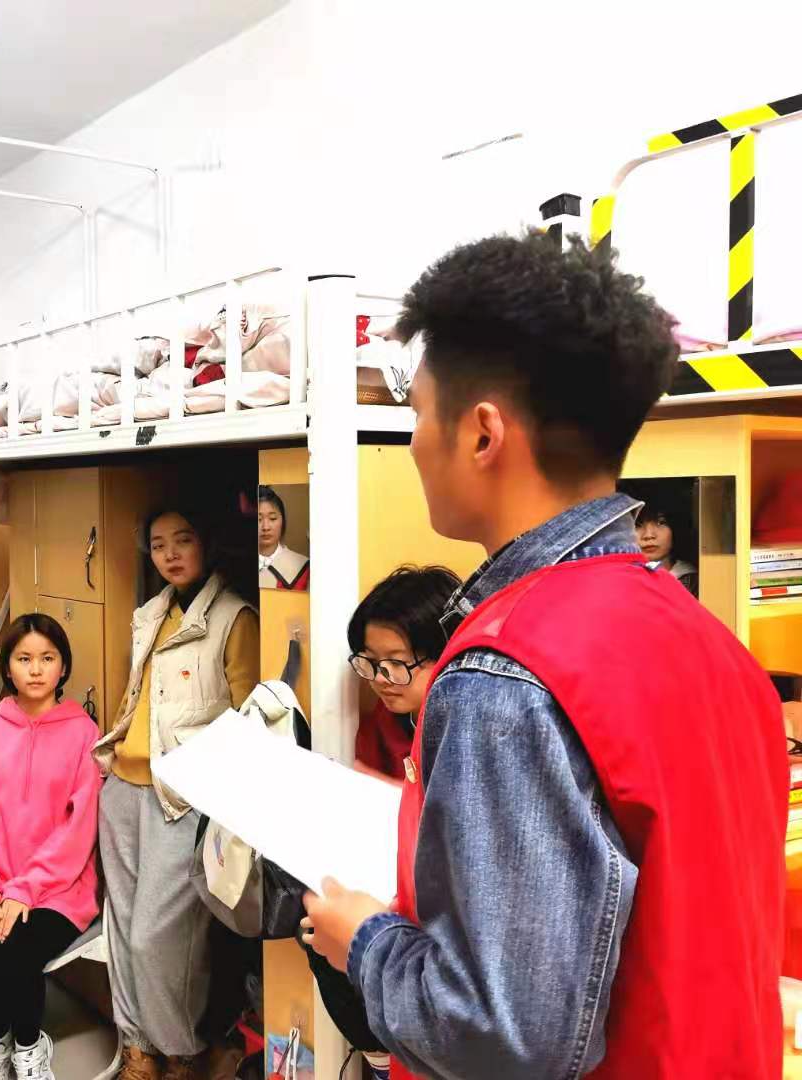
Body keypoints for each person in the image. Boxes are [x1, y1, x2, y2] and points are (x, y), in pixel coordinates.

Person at [299, 233, 786, 1080]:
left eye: (418, 413)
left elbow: (503, 1037)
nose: (411, 443)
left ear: (482, 433)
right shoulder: (706, 637)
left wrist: (364, 940)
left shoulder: (506, 672)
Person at [93, 506, 259, 1080]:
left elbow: (248, 718)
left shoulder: (235, 617)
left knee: (158, 936)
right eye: (159, 544)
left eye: (182, 540)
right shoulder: (151, 612)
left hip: (180, 797)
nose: (169, 554)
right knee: (122, 927)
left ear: (205, 544)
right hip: (122, 786)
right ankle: (137, 1047)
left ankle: (180, 1050)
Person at [0, 613, 102, 1080]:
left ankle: (28, 1046)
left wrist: (25, 890)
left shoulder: (84, 734)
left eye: (47, 658)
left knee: (16, 952)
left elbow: (78, 833)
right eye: (23, 659)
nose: (36, 670)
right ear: (8, 666)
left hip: (60, 890)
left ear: (63, 666)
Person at [346, 566, 460, 782]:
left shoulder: (467, 733)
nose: (380, 678)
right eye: (372, 661)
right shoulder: (385, 720)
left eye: (397, 663)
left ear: (446, 653)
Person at [634, 498, 699, 597]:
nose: (648, 535)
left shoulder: (693, 581)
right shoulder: (620, 578)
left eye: (661, 523)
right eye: (637, 525)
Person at [256, 485, 309, 591]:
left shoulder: (303, 567)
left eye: (272, 518)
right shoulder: (234, 564)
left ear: (282, 521)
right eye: (259, 519)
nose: (266, 527)